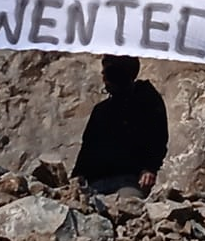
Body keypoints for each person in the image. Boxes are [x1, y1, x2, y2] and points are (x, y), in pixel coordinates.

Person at [72, 54, 168, 198]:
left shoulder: (146, 101)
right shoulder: (101, 110)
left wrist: (149, 168)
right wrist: (77, 176)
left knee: (128, 205)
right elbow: (88, 148)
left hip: (130, 180)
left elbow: (158, 138)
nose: (104, 77)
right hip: (95, 182)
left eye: (109, 72)